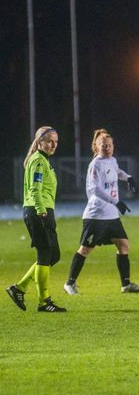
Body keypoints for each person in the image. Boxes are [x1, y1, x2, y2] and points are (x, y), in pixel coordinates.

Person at [63, 129, 139, 295]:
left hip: (111, 215)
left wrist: (128, 177)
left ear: (113, 146)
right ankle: (69, 283)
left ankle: (126, 284)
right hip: (97, 215)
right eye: (103, 145)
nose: (107, 148)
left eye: (109, 145)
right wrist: (116, 202)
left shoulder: (112, 161)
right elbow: (95, 189)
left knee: (123, 244)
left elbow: (117, 171)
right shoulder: (96, 164)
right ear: (96, 146)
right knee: (86, 249)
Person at [6, 126, 66, 312]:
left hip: (43, 209)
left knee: (53, 255)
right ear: (40, 142)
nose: (53, 145)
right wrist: (41, 210)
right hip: (39, 211)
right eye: (49, 141)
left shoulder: (43, 160)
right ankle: (44, 301)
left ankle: (19, 288)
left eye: (55, 142)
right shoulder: (39, 161)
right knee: (45, 254)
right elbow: (35, 188)